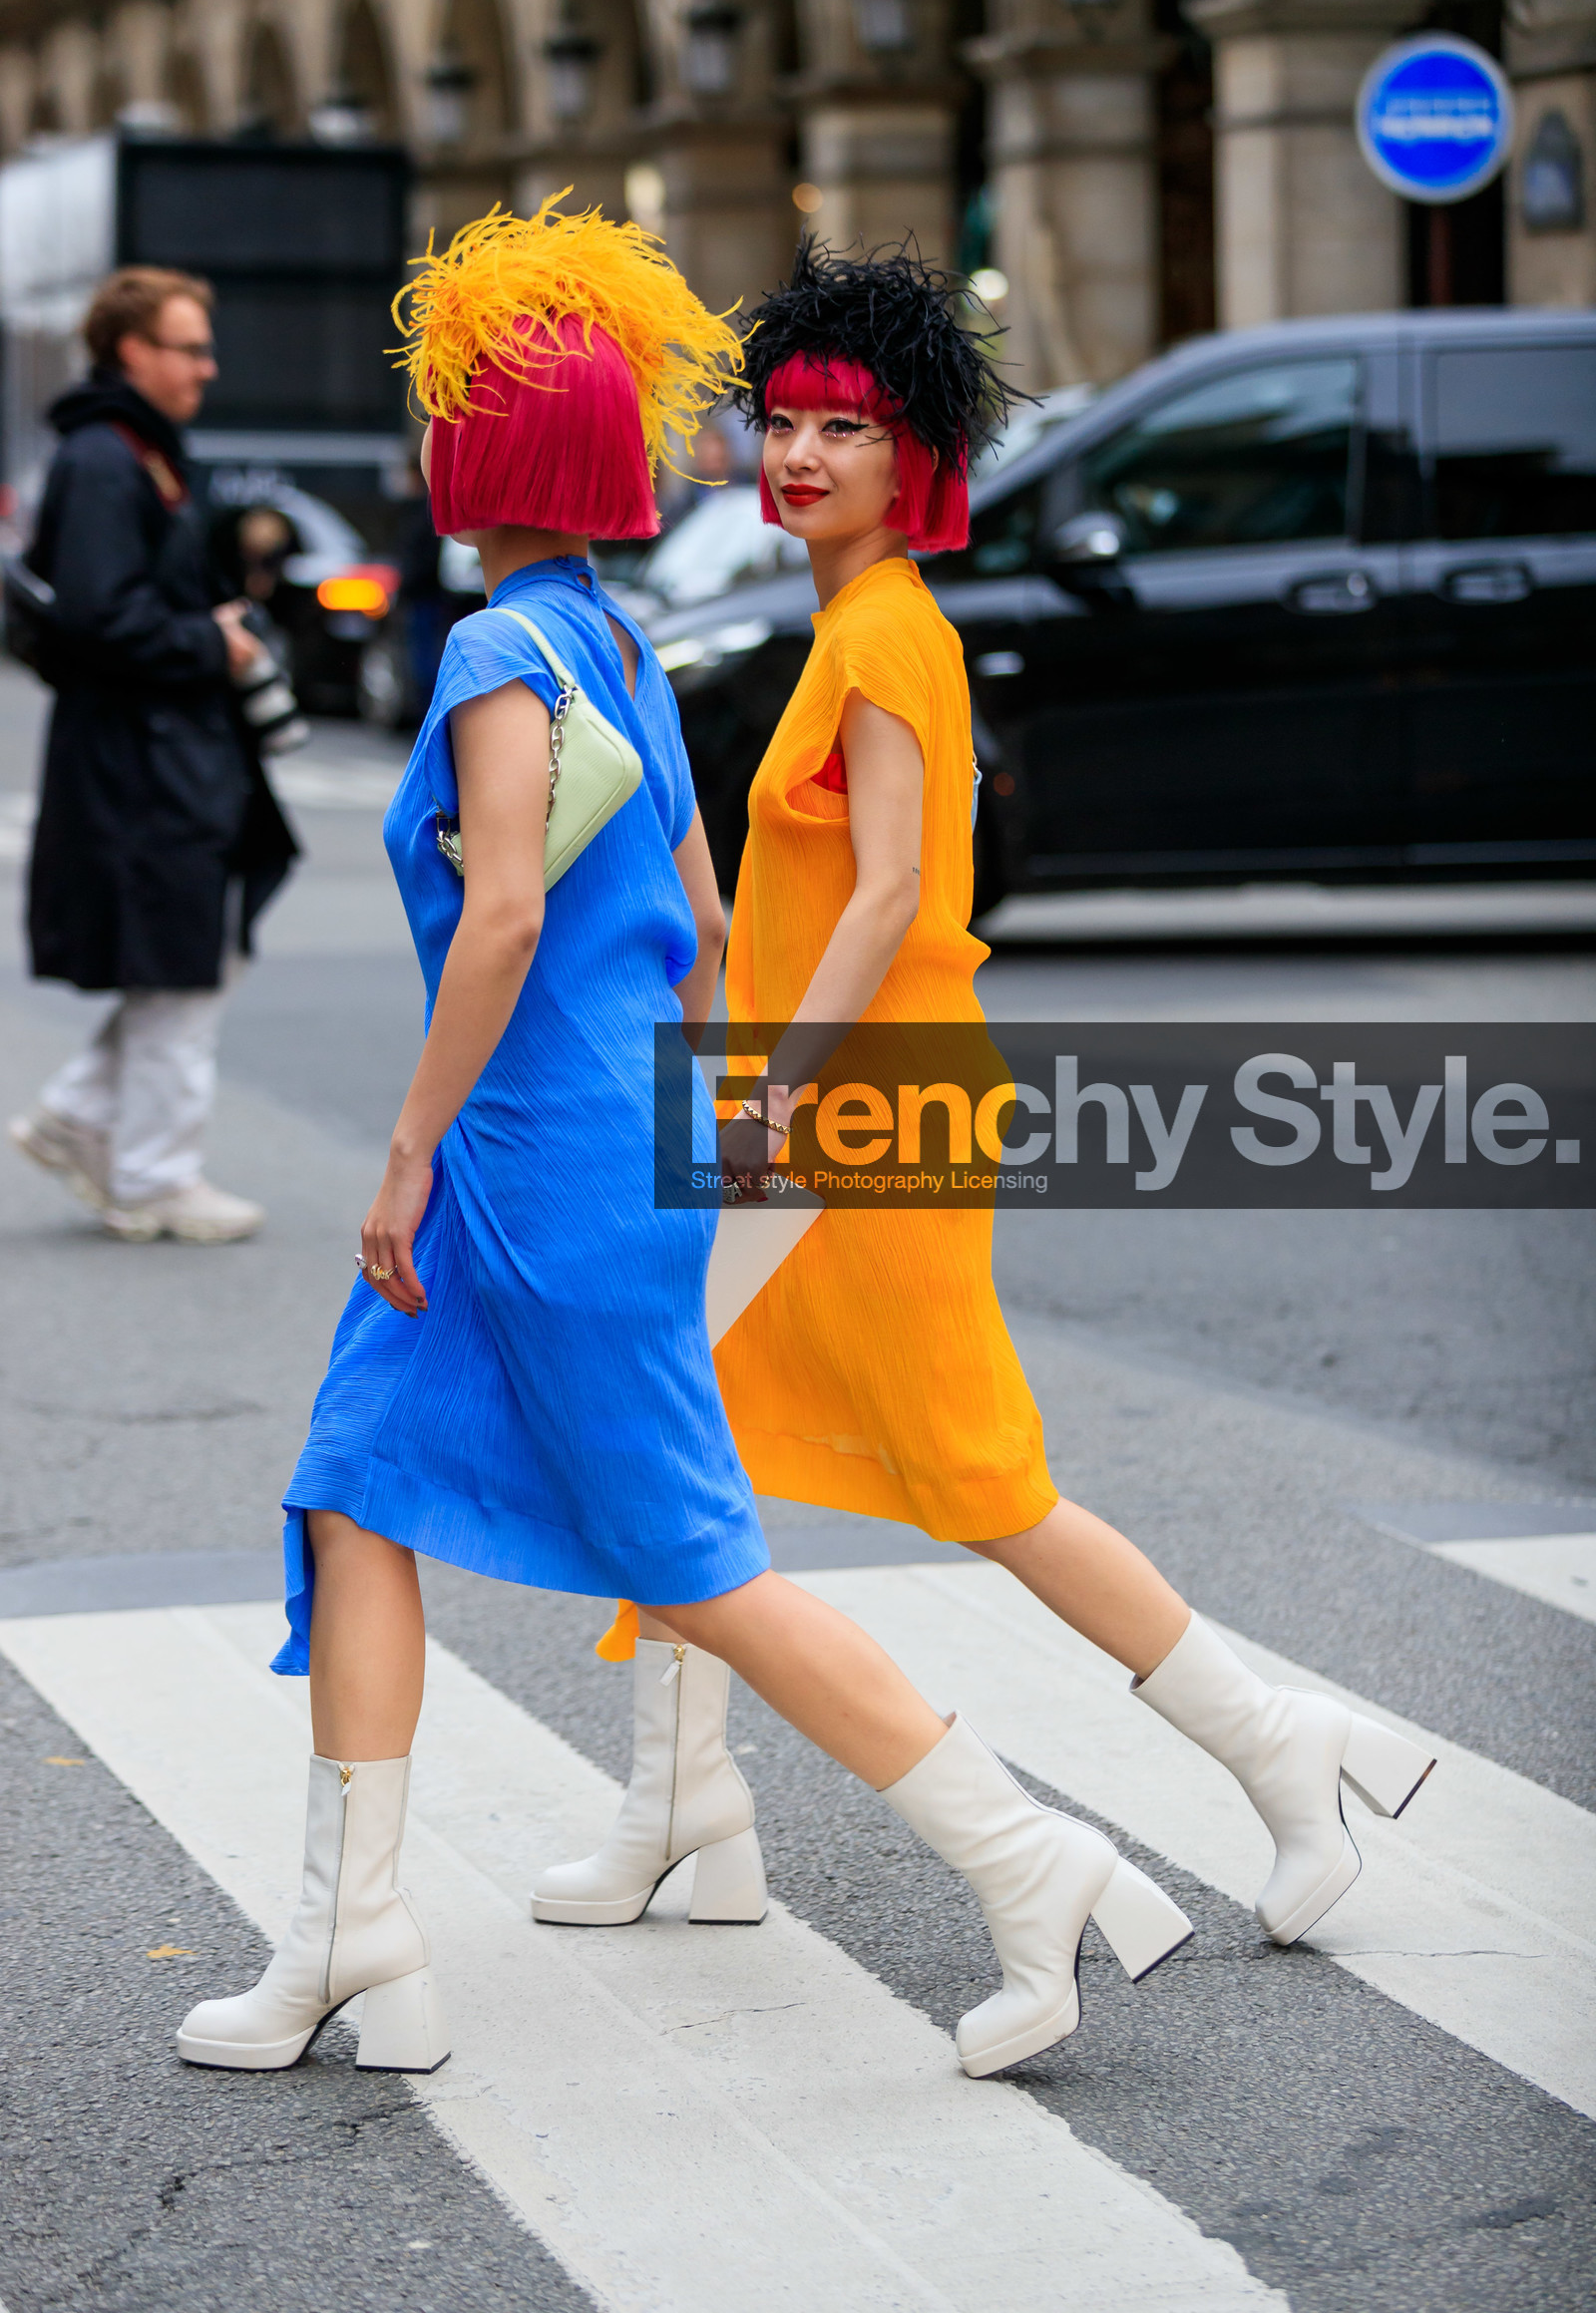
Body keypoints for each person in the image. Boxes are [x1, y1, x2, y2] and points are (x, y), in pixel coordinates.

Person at [176, 201, 1192, 2088]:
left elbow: (497, 921)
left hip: (532, 1172)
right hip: (581, 1152)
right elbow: (701, 917)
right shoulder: (612, 644)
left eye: (443, 401)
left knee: (699, 1558)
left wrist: (405, 1151)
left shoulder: (498, 653)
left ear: (477, 445)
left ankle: (1026, 1855)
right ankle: (350, 1937)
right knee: (353, 1482)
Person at [588, 239, 1437, 1959]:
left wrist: (769, 1105)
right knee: (686, 1433)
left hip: (858, 1111)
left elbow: (893, 896)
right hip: (817, 1095)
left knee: (971, 1476)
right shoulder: (850, 629)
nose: (802, 453)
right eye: (786, 420)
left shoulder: (888, 637)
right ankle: (682, 1811)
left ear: (920, 463)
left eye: (847, 426)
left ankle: (1284, 1751)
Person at [9, 266, 297, 1242]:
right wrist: (209, 641)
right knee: (182, 964)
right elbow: (100, 615)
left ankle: (79, 1120)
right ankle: (153, 1175)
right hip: (143, 761)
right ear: (132, 351)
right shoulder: (108, 457)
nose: (207, 369)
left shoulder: (127, 450)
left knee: (185, 957)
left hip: (153, 752)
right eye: (189, 348)